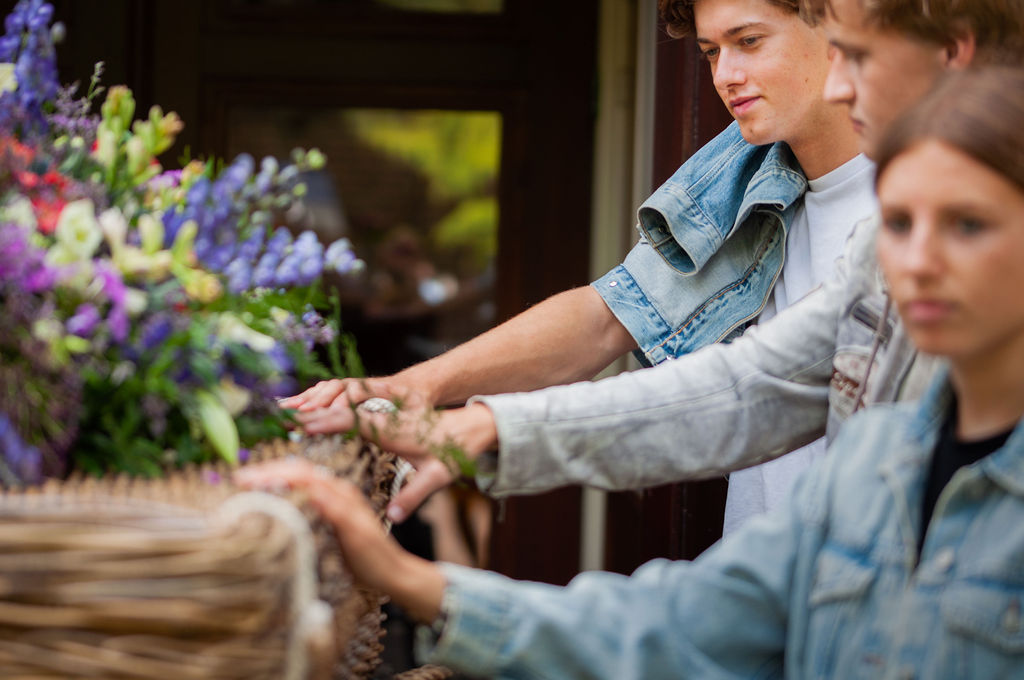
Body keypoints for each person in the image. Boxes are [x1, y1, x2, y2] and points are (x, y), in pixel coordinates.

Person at [237, 68, 1024, 677]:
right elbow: (681, 619)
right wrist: (413, 576)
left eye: (967, 225)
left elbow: (735, 391)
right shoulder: (873, 473)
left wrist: (468, 429)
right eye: (895, 225)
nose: (914, 262)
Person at [284, 0, 1024, 529]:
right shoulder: (750, 168)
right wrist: (425, 396)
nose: (725, 75)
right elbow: (638, 325)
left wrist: (485, 431)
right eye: (710, 52)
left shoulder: (935, 203)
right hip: (786, 588)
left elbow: (746, 394)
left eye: (749, 41)